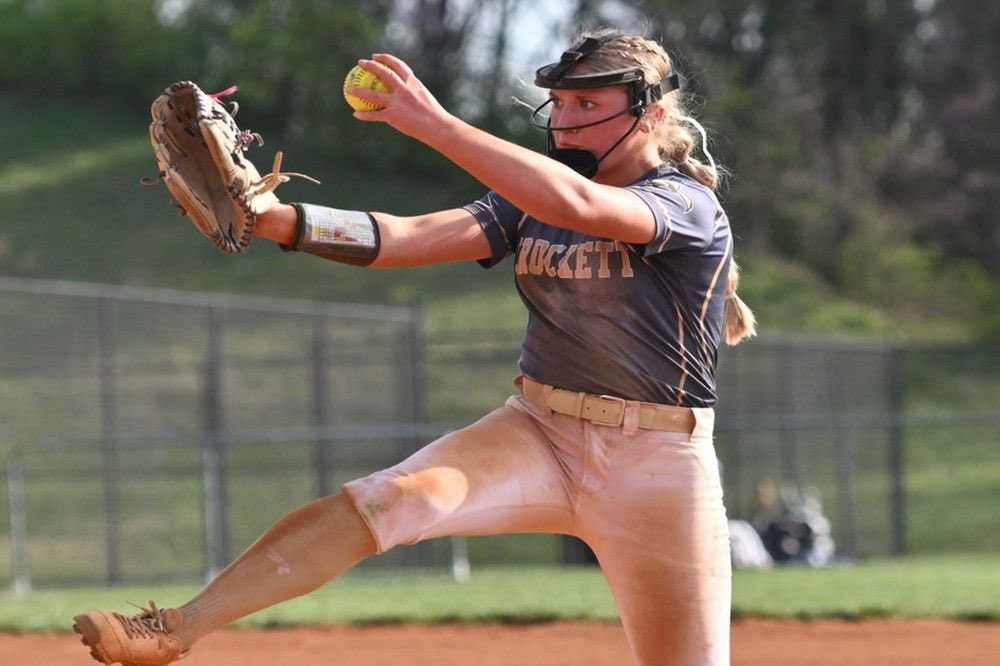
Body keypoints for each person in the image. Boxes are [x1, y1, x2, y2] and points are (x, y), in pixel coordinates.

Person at [73, 28, 756, 666]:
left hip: (657, 465)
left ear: (651, 116)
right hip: (538, 431)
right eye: (560, 103)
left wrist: (434, 123)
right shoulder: (528, 202)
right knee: (386, 499)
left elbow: (578, 206)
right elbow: (402, 237)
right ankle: (169, 631)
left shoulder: (683, 205)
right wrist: (272, 218)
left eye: (588, 102)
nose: (567, 119)